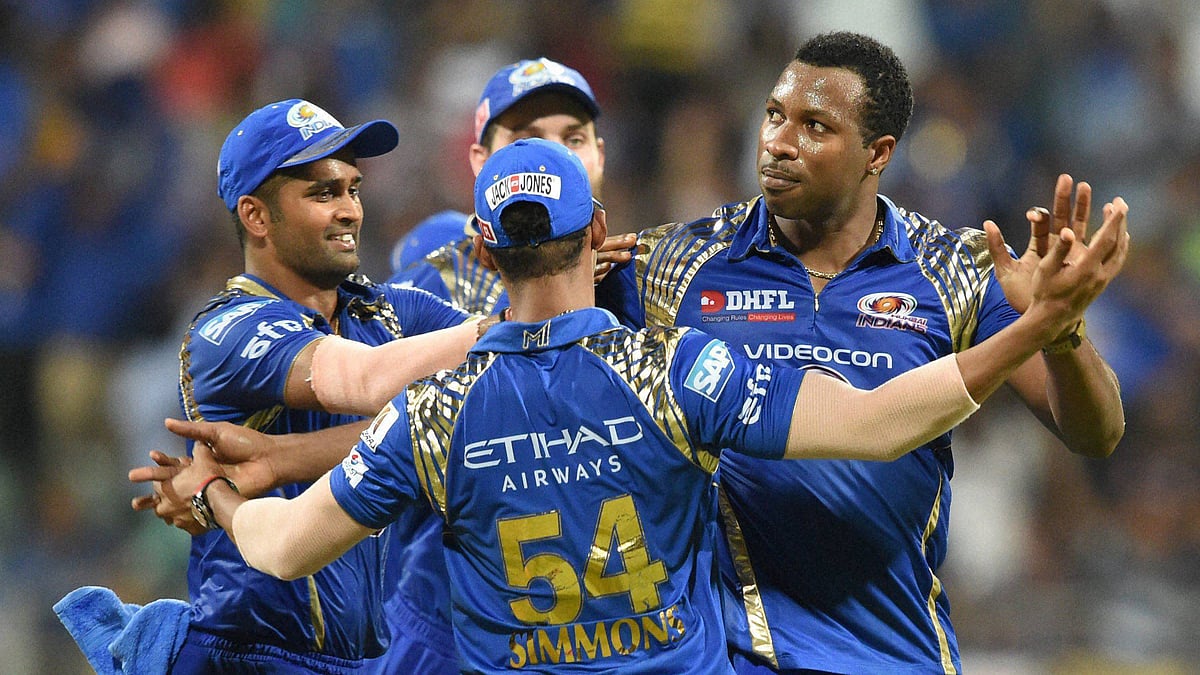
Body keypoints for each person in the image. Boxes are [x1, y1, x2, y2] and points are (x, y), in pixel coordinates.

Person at [145, 137, 1126, 673]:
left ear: (482, 256)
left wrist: (220, 491)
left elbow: (276, 549)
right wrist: (1026, 332)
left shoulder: (435, 413)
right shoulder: (676, 371)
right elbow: (880, 423)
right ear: (599, 233)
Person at [595, 32, 1129, 673]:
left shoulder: (953, 271)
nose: (779, 142)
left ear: (878, 153)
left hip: (893, 653)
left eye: (815, 126)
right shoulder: (672, 265)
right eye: (774, 115)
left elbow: (1097, 434)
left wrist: (1061, 328)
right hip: (732, 655)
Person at [101, 99, 485, 674]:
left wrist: (282, 457)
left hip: (354, 661)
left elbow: (492, 390)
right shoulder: (228, 331)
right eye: (323, 193)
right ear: (256, 216)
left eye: (353, 189)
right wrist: (504, 328)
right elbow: (364, 380)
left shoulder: (387, 314)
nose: (351, 210)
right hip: (247, 656)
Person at [389, 56, 634, 312]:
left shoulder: (644, 280)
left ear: (600, 156)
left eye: (574, 140)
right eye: (527, 140)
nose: (556, 157)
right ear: (481, 162)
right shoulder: (440, 268)